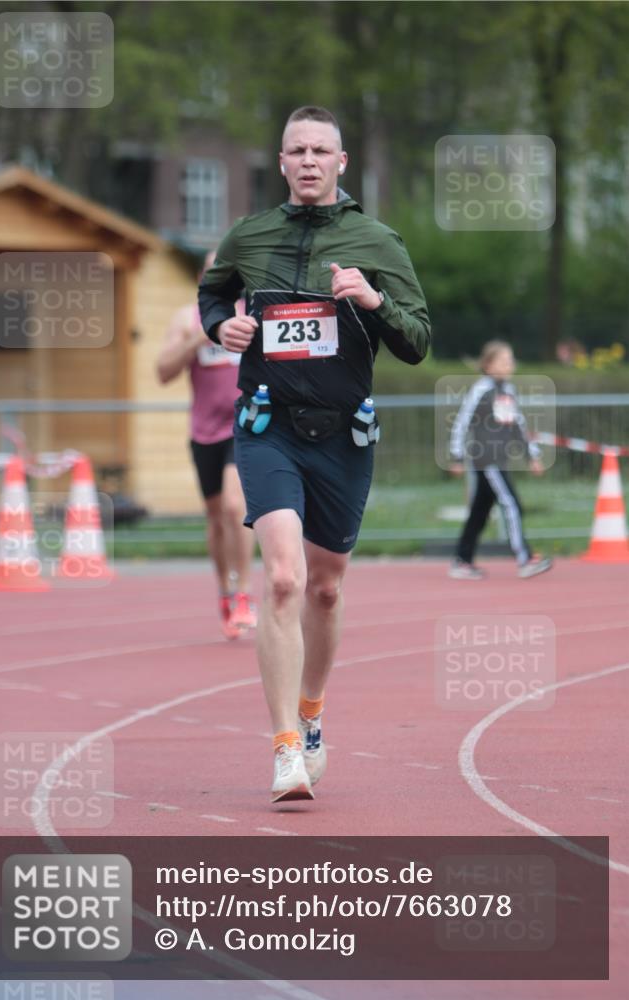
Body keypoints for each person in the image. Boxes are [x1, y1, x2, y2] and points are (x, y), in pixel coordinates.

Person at [198, 106, 430, 802]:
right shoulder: (249, 235)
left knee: (325, 589)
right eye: (295, 150)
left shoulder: (376, 240)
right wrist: (223, 326)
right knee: (282, 580)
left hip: (341, 436)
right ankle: (282, 748)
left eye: (318, 150)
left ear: (340, 163)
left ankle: (311, 714)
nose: (306, 160)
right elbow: (212, 293)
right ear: (280, 162)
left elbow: (416, 341)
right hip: (265, 425)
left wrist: (370, 298)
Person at [157, 251, 257, 640]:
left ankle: (245, 591)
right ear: (203, 277)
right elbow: (163, 372)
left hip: (246, 424)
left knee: (236, 508)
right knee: (216, 517)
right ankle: (225, 591)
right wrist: (200, 336)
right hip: (204, 431)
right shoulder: (187, 319)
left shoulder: (254, 315)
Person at [448, 340, 553, 580]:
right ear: (487, 365)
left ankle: (461, 561)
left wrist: (532, 455)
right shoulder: (480, 390)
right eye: (504, 360)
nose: (510, 364)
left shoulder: (508, 391)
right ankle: (525, 559)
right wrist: (456, 456)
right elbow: (461, 423)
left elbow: (518, 425)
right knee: (512, 504)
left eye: (511, 360)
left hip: (499, 459)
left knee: (480, 512)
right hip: (486, 459)